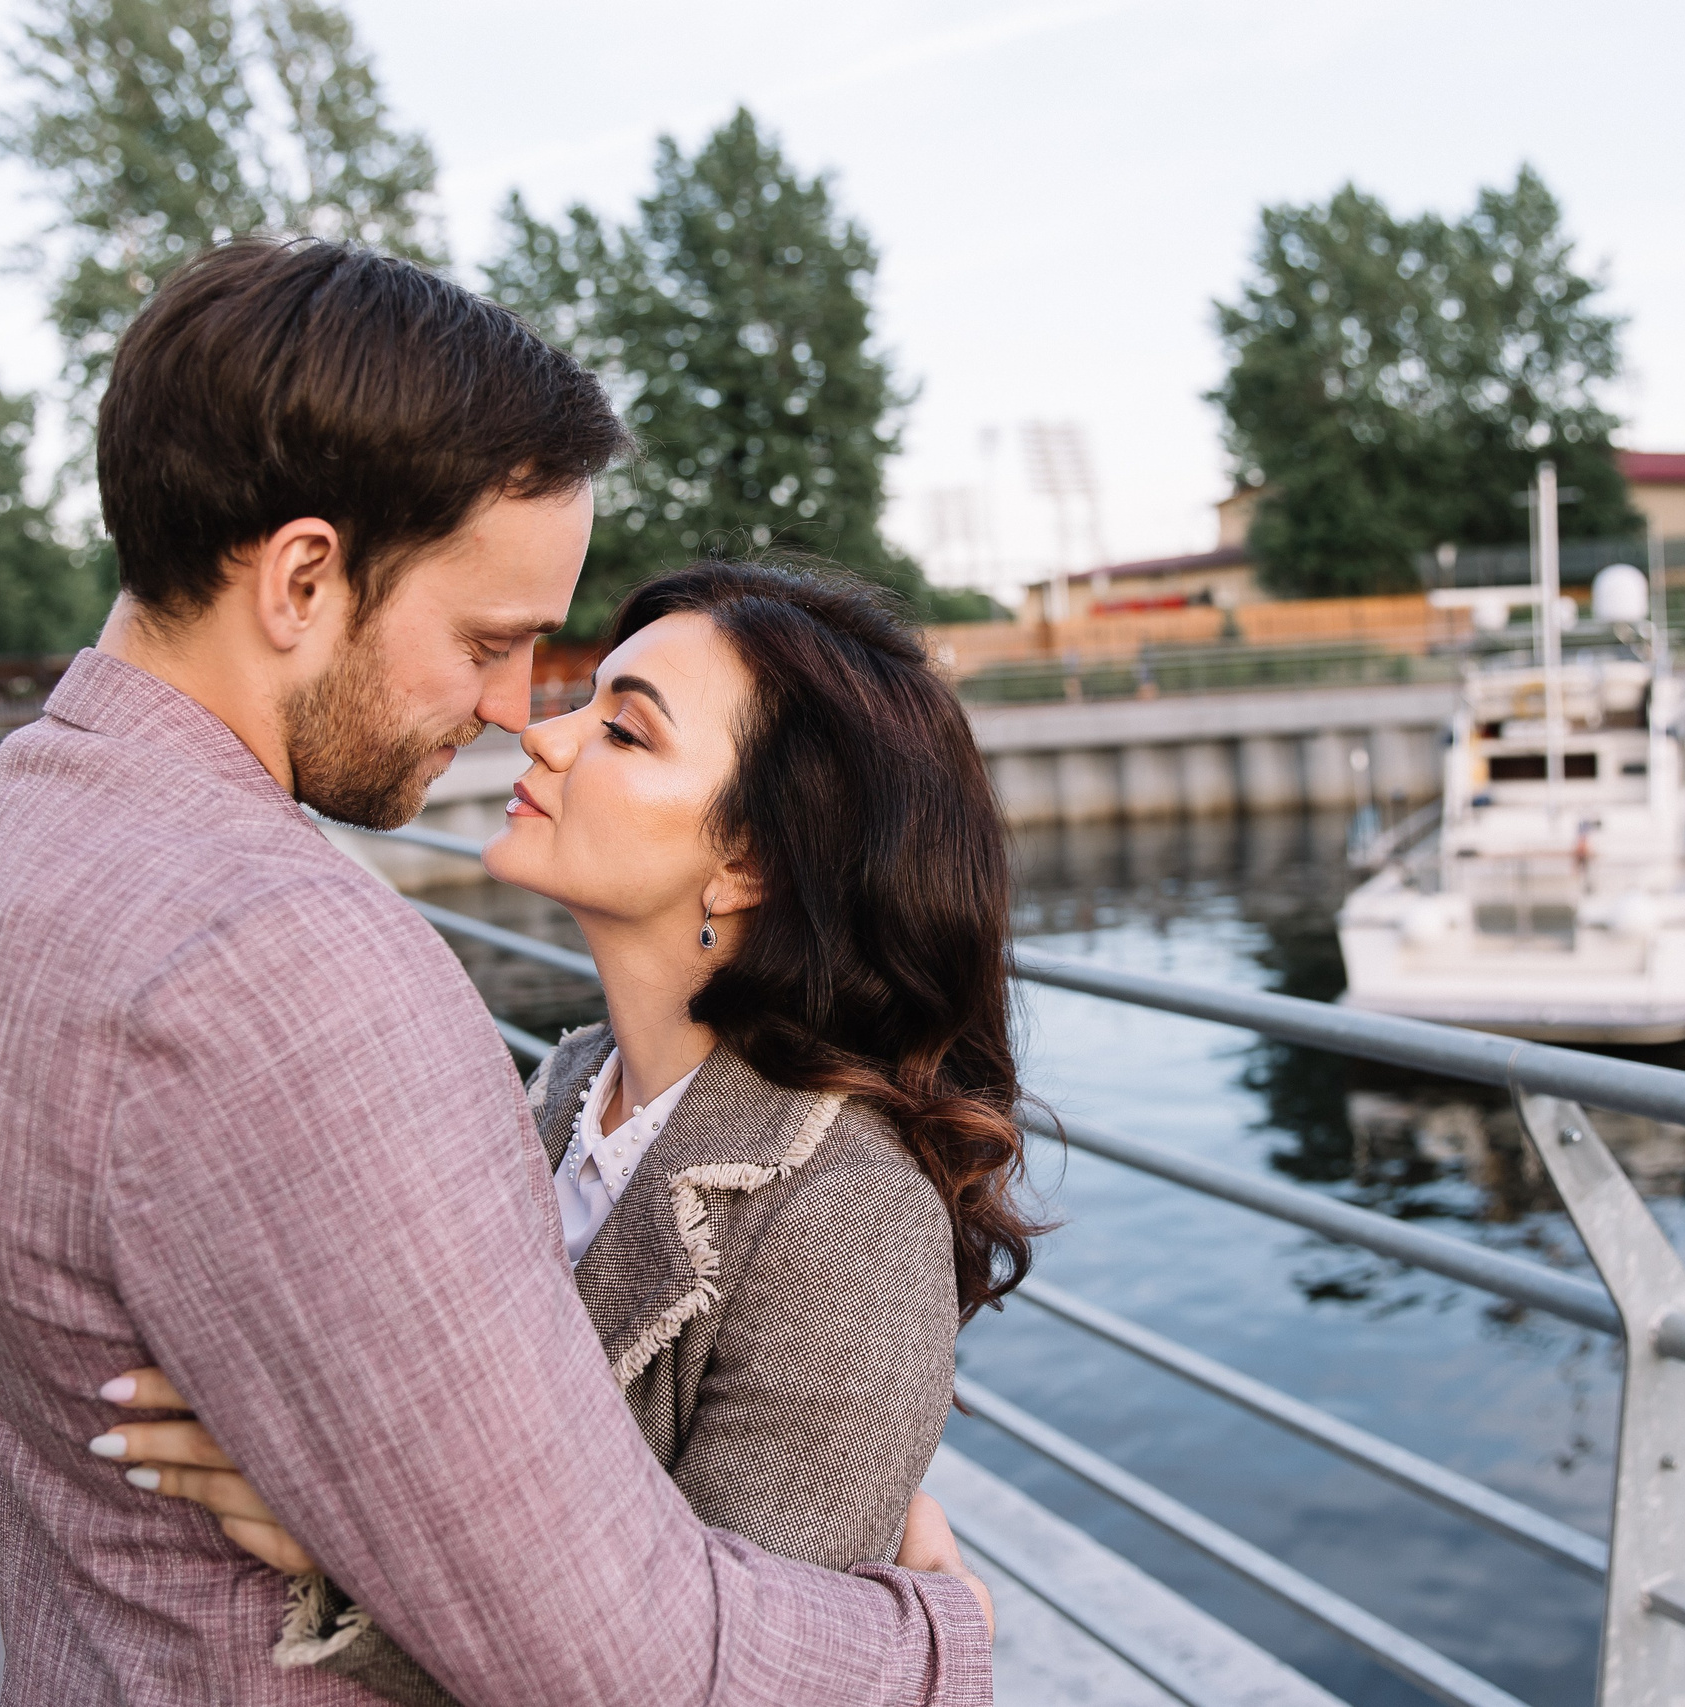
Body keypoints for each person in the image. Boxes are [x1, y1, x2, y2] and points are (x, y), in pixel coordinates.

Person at [0, 237, 993, 1706]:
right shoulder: (294, 968)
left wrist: (363, 1541)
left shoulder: (7, 853)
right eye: (489, 640)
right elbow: (618, 1654)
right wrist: (936, 1638)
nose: (511, 711)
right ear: (302, 577)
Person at [91, 561, 1045, 1705]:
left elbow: (720, 1677)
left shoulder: (847, 1212)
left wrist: (344, 1547)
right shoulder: (566, 1088)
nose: (543, 736)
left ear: (746, 863)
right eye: (583, 701)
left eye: (624, 732)